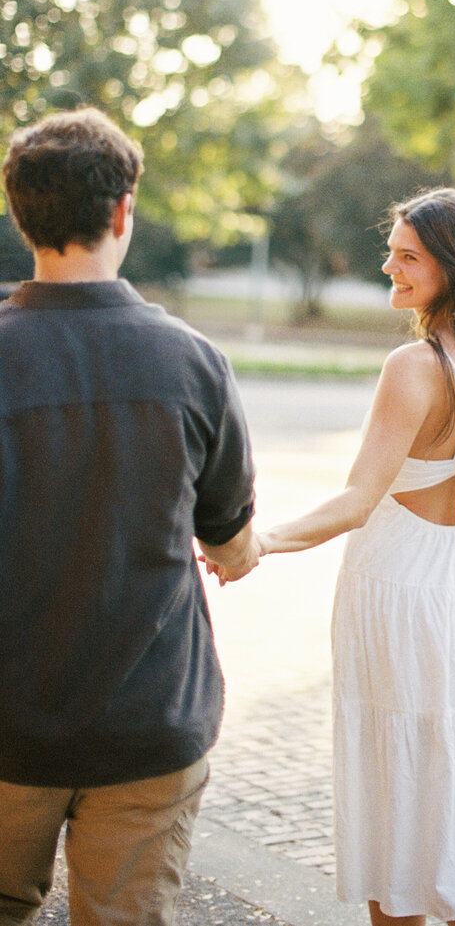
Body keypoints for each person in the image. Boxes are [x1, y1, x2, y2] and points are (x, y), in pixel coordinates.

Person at [210, 187, 455, 926]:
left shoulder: (413, 366)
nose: (388, 262)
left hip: (405, 593)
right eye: (391, 247)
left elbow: (358, 500)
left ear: (450, 266)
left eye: (407, 254)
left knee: (399, 803)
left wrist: (255, 542)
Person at [0, 107, 261, 925]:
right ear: (121, 212)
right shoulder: (192, 361)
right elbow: (234, 540)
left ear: (20, 213)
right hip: (149, 729)